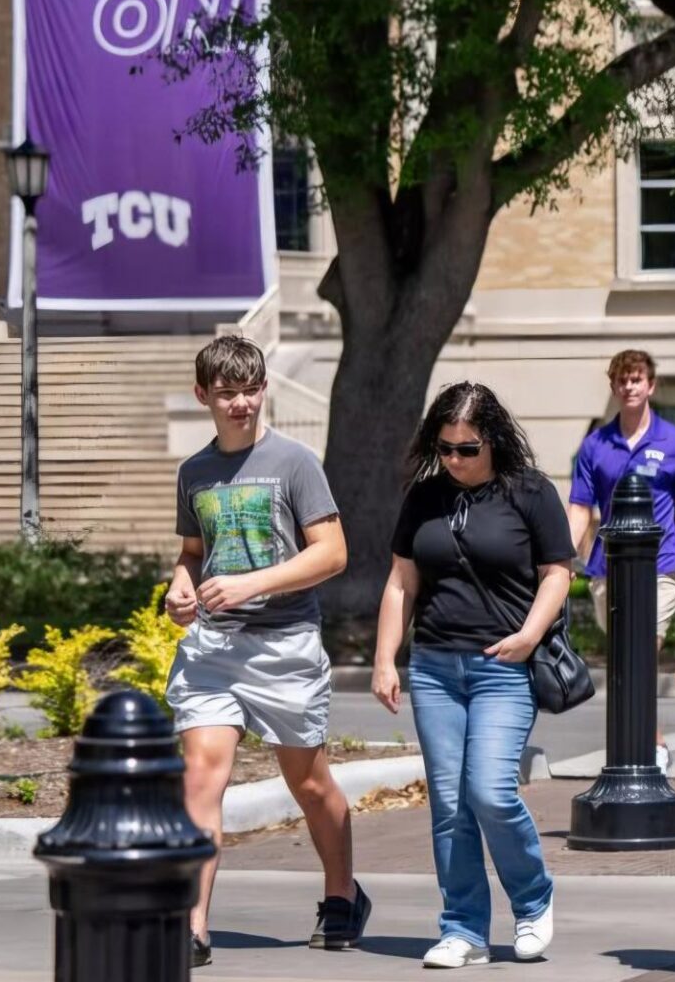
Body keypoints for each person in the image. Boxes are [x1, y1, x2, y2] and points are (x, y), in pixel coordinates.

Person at [162, 336, 364, 968]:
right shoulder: (194, 472)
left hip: (284, 645)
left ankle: (341, 895)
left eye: (251, 390)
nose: (242, 403)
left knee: (307, 782)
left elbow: (332, 554)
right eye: (227, 393)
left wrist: (250, 582)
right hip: (212, 649)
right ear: (204, 397)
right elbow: (194, 554)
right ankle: (192, 925)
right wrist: (178, 587)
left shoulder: (295, 462)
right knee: (201, 777)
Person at [372, 383, 568, 966]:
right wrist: (386, 658)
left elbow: (557, 572)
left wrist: (530, 635)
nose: (455, 460)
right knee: (450, 805)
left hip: (502, 666)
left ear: (494, 440)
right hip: (434, 666)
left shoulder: (529, 492)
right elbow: (400, 581)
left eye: (467, 448)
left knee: (489, 791)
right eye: (446, 448)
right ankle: (464, 929)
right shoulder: (424, 496)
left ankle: (533, 900)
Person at [568, 350, 675, 769]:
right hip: (606, 568)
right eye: (622, 380)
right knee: (624, 659)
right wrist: (556, 560)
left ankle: (651, 746)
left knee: (642, 648)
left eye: (636, 379)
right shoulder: (595, 445)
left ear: (651, 386)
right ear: (614, 387)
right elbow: (580, 508)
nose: (629, 386)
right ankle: (638, 744)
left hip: (661, 563)